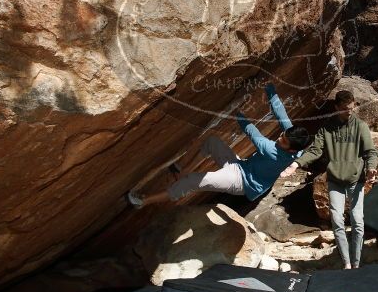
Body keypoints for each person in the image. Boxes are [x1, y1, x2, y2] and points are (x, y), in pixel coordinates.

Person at [127, 83, 310, 209]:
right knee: (212, 142)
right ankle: (182, 170)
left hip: (242, 182)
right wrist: (270, 90)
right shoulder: (297, 144)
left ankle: (143, 201)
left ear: (292, 150)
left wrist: (237, 111)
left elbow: (251, 132)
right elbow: (282, 115)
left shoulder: (272, 151)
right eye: (283, 135)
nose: (280, 137)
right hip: (242, 166)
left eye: (283, 141)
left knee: (193, 182)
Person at [280, 90, 378, 269]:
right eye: (344, 109)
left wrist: (371, 168)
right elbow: (315, 150)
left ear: (354, 104)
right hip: (335, 180)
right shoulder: (326, 129)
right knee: (337, 220)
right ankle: (346, 263)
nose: (349, 111)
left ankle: (357, 263)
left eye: (351, 107)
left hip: (356, 180)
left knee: (357, 220)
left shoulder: (360, 126)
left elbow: (370, 152)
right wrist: (296, 164)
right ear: (336, 108)